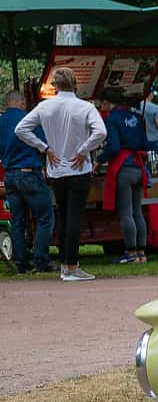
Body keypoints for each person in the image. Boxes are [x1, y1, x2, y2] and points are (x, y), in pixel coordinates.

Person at [13, 67, 106, 281]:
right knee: (74, 216)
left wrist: (44, 148)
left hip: (55, 169)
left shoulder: (45, 107)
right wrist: (84, 150)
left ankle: (66, 265)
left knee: (63, 215)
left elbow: (21, 129)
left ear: (54, 85)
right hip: (78, 168)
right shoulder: (85, 107)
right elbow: (101, 132)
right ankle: (71, 266)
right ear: (75, 84)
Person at [2, 89, 55, 273]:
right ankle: (42, 261)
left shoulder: (1, 121)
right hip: (29, 173)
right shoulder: (29, 119)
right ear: (23, 103)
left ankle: (21, 264)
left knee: (17, 221)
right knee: (45, 217)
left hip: (9, 174)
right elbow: (44, 143)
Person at [102, 91, 151, 265]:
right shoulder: (136, 117)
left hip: (123, 168)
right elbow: (146, 144)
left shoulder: (112, 119)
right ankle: (141, 253)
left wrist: (100, 159)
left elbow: (113, 147)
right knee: (138, 211)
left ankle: (130, 252)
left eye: (103, 103)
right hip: (138, 167)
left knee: (126, 213)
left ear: (109, 103)